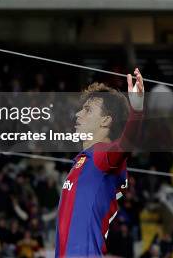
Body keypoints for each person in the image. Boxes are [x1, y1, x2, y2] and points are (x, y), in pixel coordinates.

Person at [55, 68, 144, 257]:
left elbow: (125, 145)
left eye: (87, 110)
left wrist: (136, 111)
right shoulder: (82, 162)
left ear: (106, 120)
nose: (78, 114)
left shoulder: (102, 154)